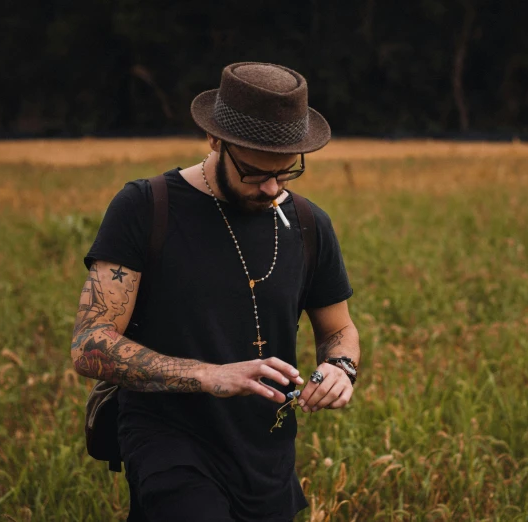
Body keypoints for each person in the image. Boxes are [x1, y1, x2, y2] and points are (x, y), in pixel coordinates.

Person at [70, 62, 361, 521]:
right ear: (214, 140)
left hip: (266, 456)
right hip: (168, 443)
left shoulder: (309, 224)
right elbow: (90, 344)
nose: (271, 188)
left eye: (286, 173)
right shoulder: (145, 207)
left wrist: (341, 367)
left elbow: (339, 328)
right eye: (255, 173)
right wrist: (209, 375)